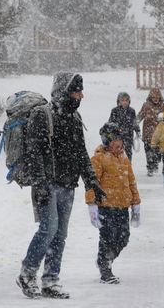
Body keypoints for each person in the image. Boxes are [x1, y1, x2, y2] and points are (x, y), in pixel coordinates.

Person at [16, 72, 107, 299]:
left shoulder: (74, 118)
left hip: (68, 184)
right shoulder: (42, 115)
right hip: (47, 184)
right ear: (64, 91)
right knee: (48, 230)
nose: (81, 95)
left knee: (60, 234)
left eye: (81, 91)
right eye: (77, 91)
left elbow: (80, 153)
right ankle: (27, 274)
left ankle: (50, 280)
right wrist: (40, 183)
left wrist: (91, 181)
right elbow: (35, 152)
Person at [87, 122, 141, 284]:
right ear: (107, 141)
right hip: (106, 207)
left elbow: (131, 181)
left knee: (123, 238)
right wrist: (92, 205)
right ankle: (105, 268)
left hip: (122, 206)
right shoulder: (98, 158)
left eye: (120, 139)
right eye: (115, 139)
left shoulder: (124, 158)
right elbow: (92, 183)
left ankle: (105, 260)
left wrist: (136, 204)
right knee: (107, 238)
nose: (119, 143)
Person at [138, 88, 164, 176]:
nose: (155, 99)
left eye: (157, 97)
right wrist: (135, 123)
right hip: (148, 134)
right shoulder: (146, 105)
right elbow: (140, 115)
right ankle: (150, 168)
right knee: (149, 153)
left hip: (159, 135)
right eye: (153, 97)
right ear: (150, 97)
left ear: (160, 97)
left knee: (158, 154)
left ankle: (155, 164)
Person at [108, 92, 140, 161]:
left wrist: (137, 130)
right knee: (117, 154)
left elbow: (134, 122)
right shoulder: (115, 111)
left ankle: (128, 169)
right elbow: (110, 123)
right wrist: (114, 129)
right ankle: (119, 170)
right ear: (119, 101)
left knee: (128, 155)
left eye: (126, 100)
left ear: (129, 101)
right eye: (122, 100)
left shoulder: (131, 111)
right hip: (117, 137)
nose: (125, 102)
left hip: (128, 136)